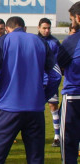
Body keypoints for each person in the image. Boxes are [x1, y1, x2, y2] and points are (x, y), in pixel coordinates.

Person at [0, 16, 61, 163]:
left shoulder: (3, 40)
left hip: (9, 108)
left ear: (7, 29)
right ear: (24, 28)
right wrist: (43, 97)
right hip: (35, 110)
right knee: (35, 159)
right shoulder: (40, 41)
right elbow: (56, 75)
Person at [57, 2, 80, 163]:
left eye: (72, 20)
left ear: (78, 18)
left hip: (73, 98)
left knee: (69, 145)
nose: (72, 24)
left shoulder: (72, 41)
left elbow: (58, 66)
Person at [37, 17, 61, 147]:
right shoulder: (35, 41)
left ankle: (57, 136)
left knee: (53, 106)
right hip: (37, 81)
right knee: (36, 109)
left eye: (48, 28)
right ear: (39, 28)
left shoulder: (55, 42)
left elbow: (58, 62)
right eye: (44, 28)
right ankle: (37, 136)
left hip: (51, 80)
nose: (46, 30)